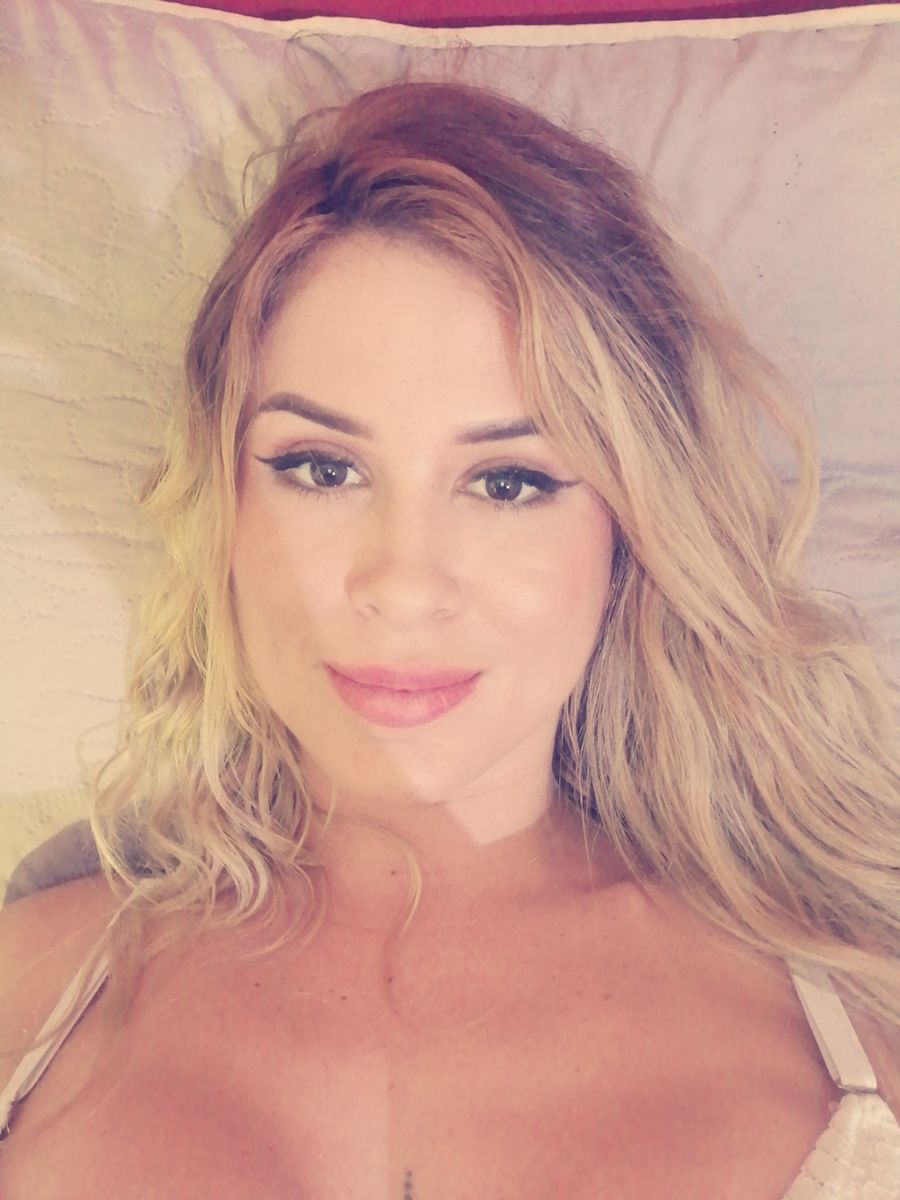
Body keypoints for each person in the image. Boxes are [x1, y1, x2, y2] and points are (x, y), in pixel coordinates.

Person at [0, 77, 898, 1199]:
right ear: (223, 507)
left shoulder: (854, 1025)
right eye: (320, 468)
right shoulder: (32, 985)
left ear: (631, 531)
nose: (403, 584)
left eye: (508, 481)